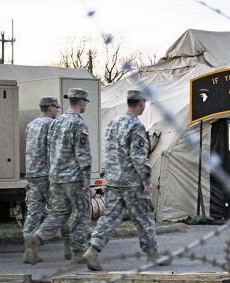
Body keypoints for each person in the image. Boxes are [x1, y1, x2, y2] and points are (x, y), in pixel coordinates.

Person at [83, 89, 171, 271]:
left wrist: (106, 174)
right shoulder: (136, 126)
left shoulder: (113, 123)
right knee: (144, 217)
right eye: (144, 103)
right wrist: (146, 181)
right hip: (131, 182)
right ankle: (152, 254)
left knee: (110, 216)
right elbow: (138, 156)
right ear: (140, 104)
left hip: (113, 180)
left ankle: (93, 250)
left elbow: (108, 151)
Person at [23, 88, 92, 265]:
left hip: (49, 175)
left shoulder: (52, 123)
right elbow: (82, 152)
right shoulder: (77, 123)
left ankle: (35, 238)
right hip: (71, 176)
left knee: (56, 212)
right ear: (81, 102)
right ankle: (76, 251)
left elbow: (50, 149)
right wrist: (86, 176)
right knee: (81, 212)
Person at [22, 96, 61, 264]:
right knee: (62, 209)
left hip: (32, 174)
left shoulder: (31, 125)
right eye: (56, 108)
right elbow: (56, 149)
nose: (58, 111)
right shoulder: (51, 125)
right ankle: (72, 248)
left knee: (33, 212)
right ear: (51, 108)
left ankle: (29, 249)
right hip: (47, 174)